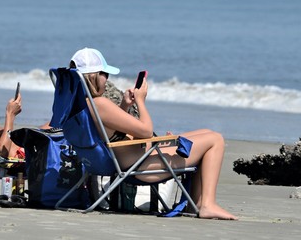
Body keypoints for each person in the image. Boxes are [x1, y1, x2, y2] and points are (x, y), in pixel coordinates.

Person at [68, 48, 237, 220]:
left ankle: (195, 204)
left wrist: (125, 106)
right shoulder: (99, 104)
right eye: (106, 75)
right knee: (215, 139)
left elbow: (108, 131)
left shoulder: (80, 105)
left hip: (131, 158)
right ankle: (207, 204)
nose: (107, 80)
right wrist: (141, 101)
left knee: (205, 133)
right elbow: (146, 131)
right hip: (140, 167)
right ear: (94, 76)